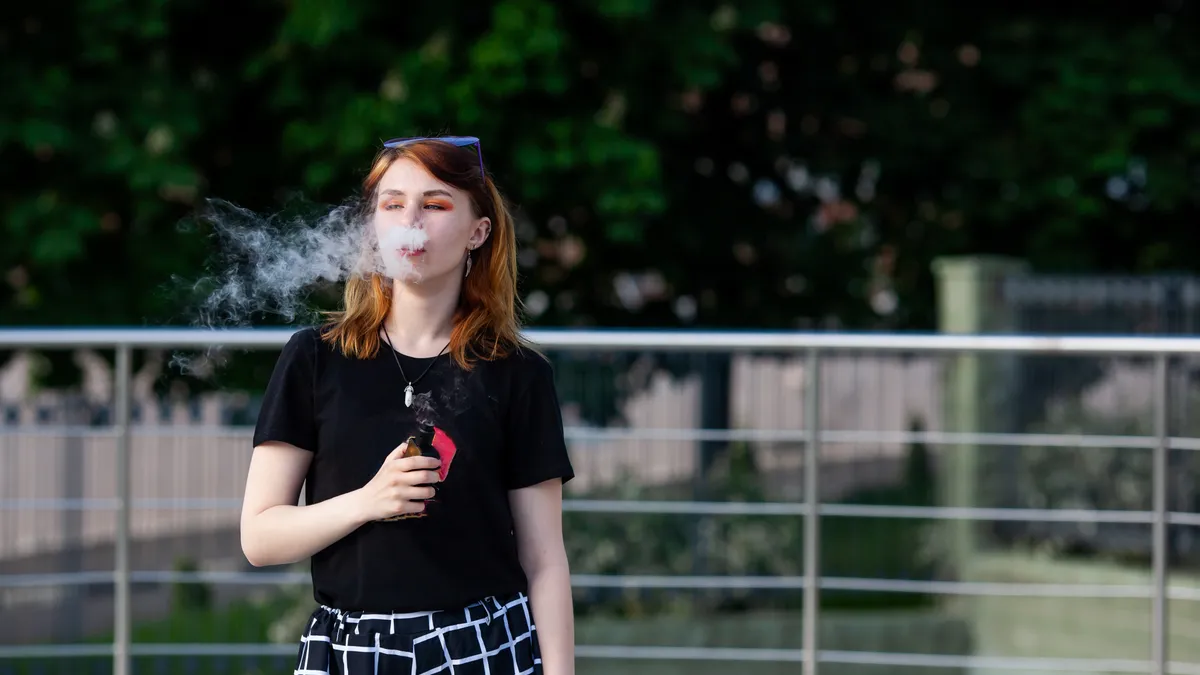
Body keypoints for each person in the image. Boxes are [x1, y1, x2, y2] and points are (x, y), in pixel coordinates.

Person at [239, 136, 576, 675]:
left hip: (483, 646)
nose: (410, 220)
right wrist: (369, 500)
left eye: (435, 204)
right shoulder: (314, 359)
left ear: (478, 232)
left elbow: (544, 560)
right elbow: (259, 538)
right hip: (350, 649)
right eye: (392, 205)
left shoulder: (518, 374)